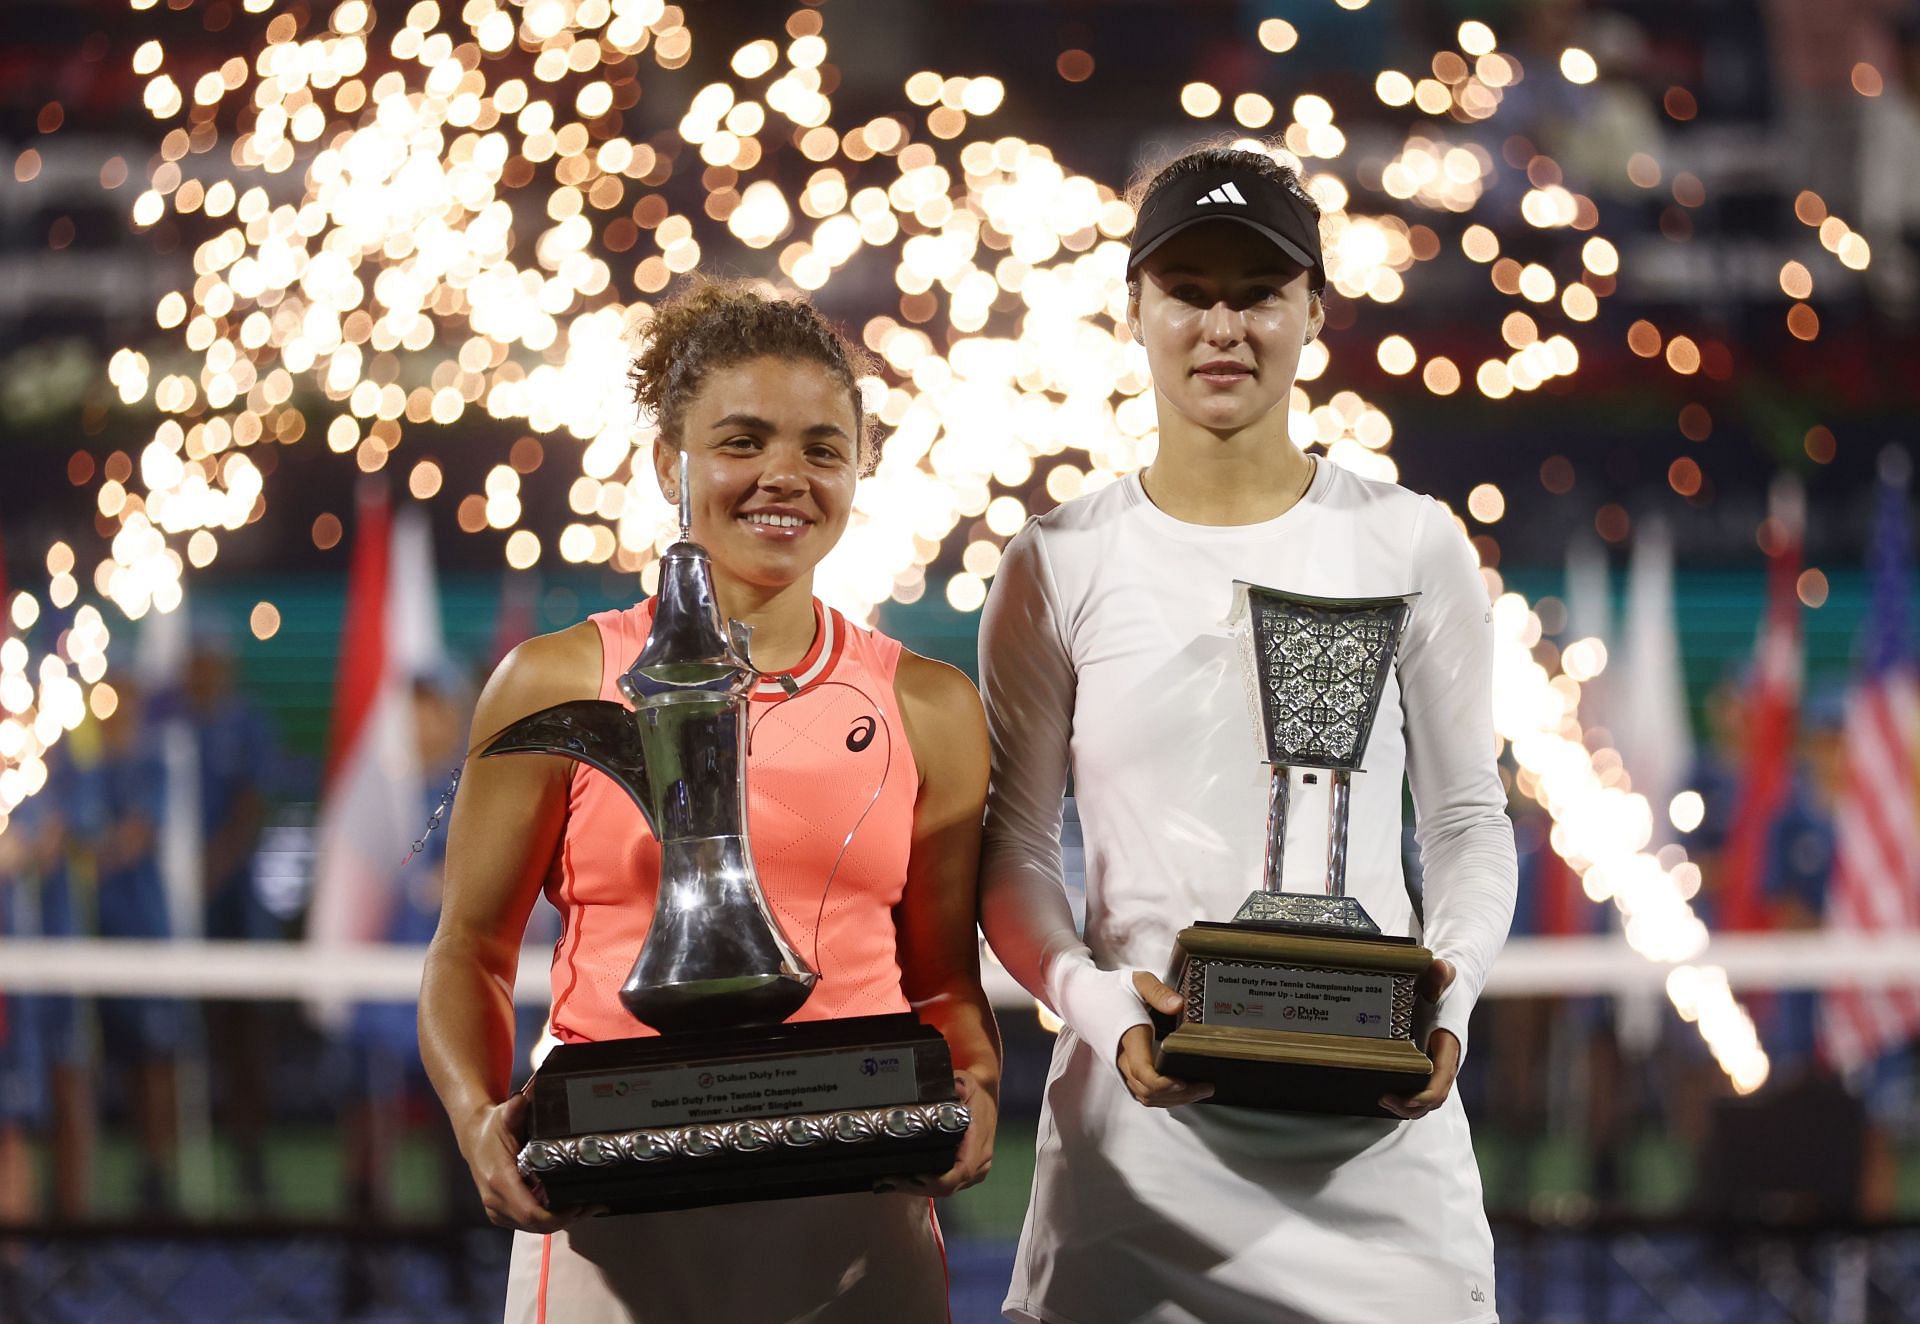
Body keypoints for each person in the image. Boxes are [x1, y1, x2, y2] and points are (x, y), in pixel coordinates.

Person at [978, 144, 1517, 1324]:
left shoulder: (1413, 542)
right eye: (1189, 290)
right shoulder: (1056, 561)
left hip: (1375, 1143)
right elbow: (1014, 853)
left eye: (1258, 292)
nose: (1222, 326)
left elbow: (1470, 820)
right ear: (1134, 310)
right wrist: (1104, 1004)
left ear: (1314, 314)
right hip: (1139, 1145)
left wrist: (1451, 994)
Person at [420, 283, 1001, 1323]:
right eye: (744, 440)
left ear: (860, 469)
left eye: (825, 448)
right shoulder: (557, 680)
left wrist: (977, 1086)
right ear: (665, 465)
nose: (787, 475)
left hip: (853, 1210)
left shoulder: (930, 705)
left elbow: (944, 978)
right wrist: (475, 1116)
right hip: (615, 1220)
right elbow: (468, 949)